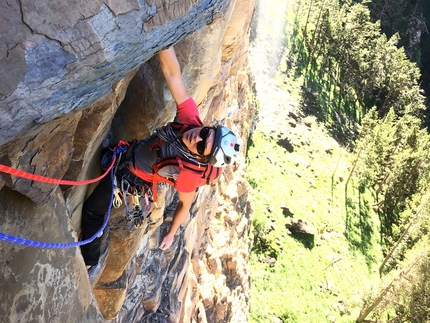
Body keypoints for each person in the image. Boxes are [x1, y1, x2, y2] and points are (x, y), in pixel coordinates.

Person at [80, 46, 241, 266]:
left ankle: (90, 260)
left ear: (202, 159)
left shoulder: (188, 174)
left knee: (92, 211)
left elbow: (186, 204)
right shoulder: (190, 119)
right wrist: (165, 42)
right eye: (206, 133)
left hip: (129, 176)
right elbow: (173, 75)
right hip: (131, 154)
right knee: (108, 158)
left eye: (203, 147)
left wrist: (171, 233)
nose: (198, 138)